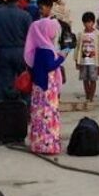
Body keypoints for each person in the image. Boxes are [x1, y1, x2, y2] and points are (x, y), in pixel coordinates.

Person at [24, 18, 65, 154]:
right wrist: (61, 57)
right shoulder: (46, 49)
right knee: (48, 115)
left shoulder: (38, 48)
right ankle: (48, 145)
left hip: (38, 85)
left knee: (38, 115)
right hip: (48, 86)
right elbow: (50, 66)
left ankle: (37, 143)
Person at [0, 0, 32, 101]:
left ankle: (3, 108)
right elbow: (30, 37)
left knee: (4, 81)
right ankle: (25, 106)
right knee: (25, 80)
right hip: (21, 51)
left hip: (3, 50)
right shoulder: (25, 15)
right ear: (19, 0)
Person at [75, 12, 99, 102]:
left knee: (93, 79)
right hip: (84, 61)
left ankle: (91, 98)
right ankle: (87, 96)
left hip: (94, 61)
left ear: (93, 22)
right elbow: (77, 48)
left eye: (89, 22)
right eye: (85, 22)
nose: (88, 24)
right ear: (83, 23)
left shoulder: (98, 34)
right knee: (85, 79)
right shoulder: (80, 34)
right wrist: (76, 60)